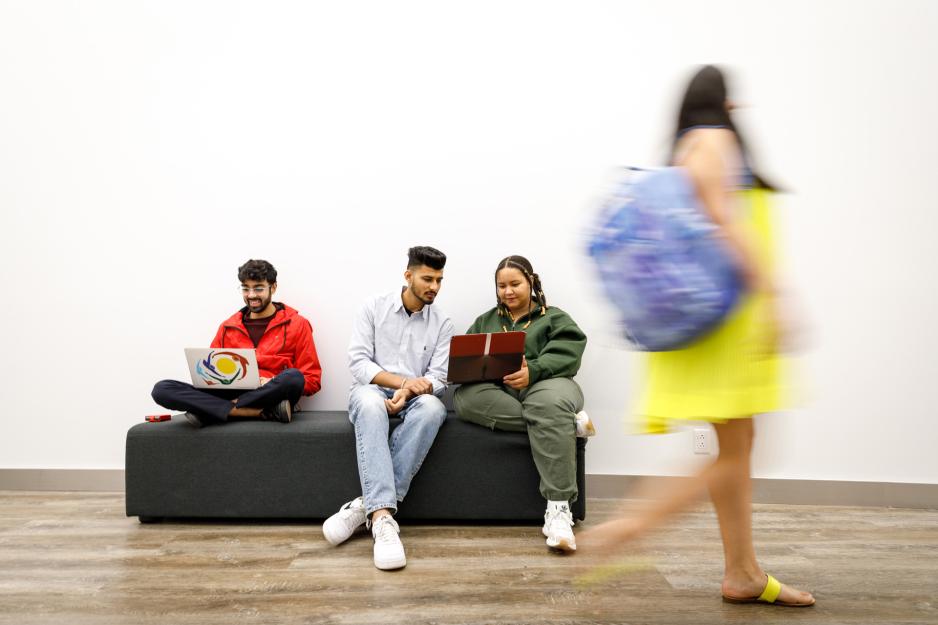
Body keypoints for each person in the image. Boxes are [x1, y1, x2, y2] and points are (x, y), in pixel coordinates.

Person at [579, 65, 815, 607]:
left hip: (713, 326)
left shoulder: (689, 145)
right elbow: (725, 224)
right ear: (723, 103)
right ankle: (632, 525)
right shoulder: (713, 141)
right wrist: (776, 295)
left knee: (739, 447)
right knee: (737, 451)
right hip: (727, 328)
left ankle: (743, 574)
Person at [322, 246, 454, 571]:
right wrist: (402, 384)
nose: (434, 287)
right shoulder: (373, 307)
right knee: (370, 406)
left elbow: (438, 377)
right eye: (427, 278)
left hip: (414, 398)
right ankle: (383, 520)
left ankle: (368, 507)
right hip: (372, 389)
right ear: (408, 276)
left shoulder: (443, 322)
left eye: (439, 280)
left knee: (434, 409)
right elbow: (358, 361)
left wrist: (410, 391)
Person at [454, 255, 592, 553]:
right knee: (464, 399)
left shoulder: (554, 317)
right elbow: (467, 356)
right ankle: (566, 424)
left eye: (515, 283)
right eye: (501, 286)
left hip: (548, 385)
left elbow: (569, 355)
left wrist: (534, 371)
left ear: (532, 282)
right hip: (499, 390)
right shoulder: (486, 320)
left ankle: (558, 510)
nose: (508, 291)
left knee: (547, 403)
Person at [151, 259, 322, 427]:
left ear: (273, 287)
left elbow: (312, 379)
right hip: (230, 390)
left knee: (293, 377)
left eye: (258, 288)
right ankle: (258, 412)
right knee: (162, 389)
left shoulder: (297, 324)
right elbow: (210, 375)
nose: (251, 295)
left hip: (271, 392)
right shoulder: (228, 326)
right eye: (246, 289)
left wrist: (271, 380)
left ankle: (212, 410)